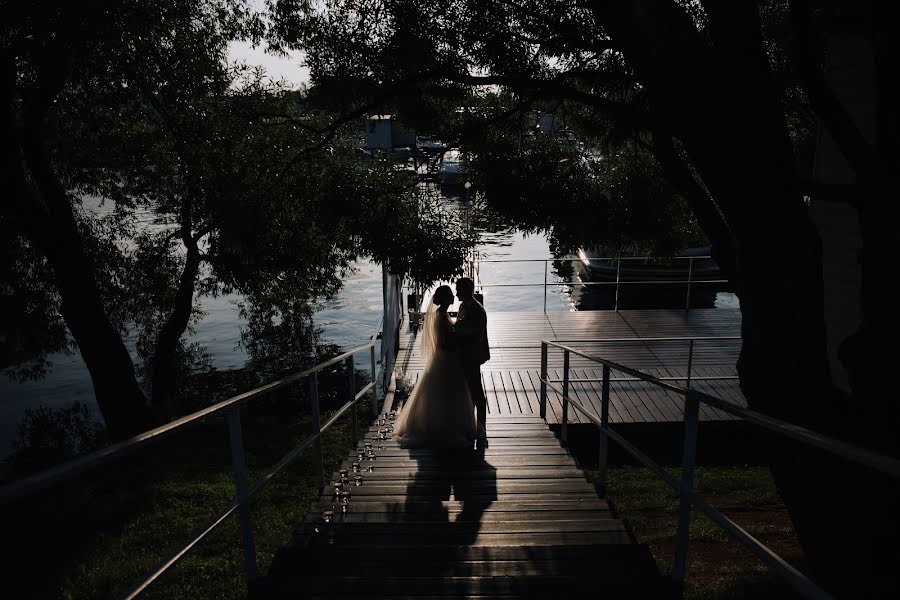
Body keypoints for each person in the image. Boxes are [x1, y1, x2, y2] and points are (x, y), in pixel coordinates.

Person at [393, 285, 477, 449]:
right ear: (445, 298)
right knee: (448, 392)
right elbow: (444, 342)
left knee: (446, 392)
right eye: (451, 295)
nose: (453, 297)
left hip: (446, 358)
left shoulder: (442, 314)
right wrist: (459, 342)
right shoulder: (440, 316)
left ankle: (447, 423)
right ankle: (445, 427)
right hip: (446, 358)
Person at [453, 277, 490, 441]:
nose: (456, 293)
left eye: (458, 290)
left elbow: (473, 334)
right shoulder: (463, 306)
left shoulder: (477, 310)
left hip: (472, 356)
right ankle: (469, 423)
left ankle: (481, 426)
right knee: (469, 389)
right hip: (465, 355)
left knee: (476, 390)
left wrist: (456, 333)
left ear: (467, 291)